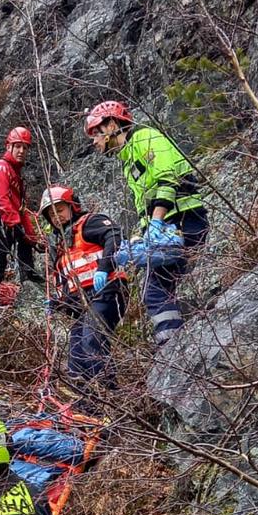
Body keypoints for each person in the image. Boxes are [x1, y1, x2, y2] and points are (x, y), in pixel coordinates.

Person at [85, 100, 208, 345]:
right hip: (171, 224)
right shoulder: (129, 157)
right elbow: (145, 203)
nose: (94, 142)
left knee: (155, 290)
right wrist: (143, 234)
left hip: (184, 221)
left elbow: (167, 178)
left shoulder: (146, 139)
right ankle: (175, 343)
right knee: (156, 288)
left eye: (96, 134)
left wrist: (156, 224)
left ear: (111, 125)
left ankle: (173, 345)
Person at [40, 185, 127, 396]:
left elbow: (114, 235)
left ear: (72, 206)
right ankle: (88, 405)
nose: (56, 216)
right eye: (51, 214)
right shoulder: (61, 244)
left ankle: (109, 395)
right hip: (83, 303)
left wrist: (104, 268)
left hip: (107, 290)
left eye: (60, 210)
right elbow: (71, 281)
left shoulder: (89, 223)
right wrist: (58, 303)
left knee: (92, 340)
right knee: (76, 359)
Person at [0, 126, 42, 325]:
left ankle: (28, 276)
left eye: (25, 147)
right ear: (9, 146)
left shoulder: (16, 175)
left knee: (24, 244)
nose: (22, 151)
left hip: (8, 222)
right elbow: (0, 199)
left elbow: (22, 210)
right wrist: (15, 224)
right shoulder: (0, 167)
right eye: (17, 146)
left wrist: (33, 239)